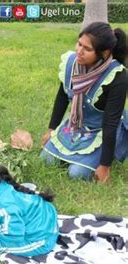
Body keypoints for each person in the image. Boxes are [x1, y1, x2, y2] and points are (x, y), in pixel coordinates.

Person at [40, 22, 127, 182]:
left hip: (101, 130)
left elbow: (110, 123)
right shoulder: (72, 62)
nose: (79, 51)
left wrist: (105, 165)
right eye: (79, 44)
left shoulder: (117, 77)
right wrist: (51, 129)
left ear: (104, 53)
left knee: (76, 173)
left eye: (87, 49)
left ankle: (100, 156)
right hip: (76, 125)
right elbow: (62, 96)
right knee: (46, 159)